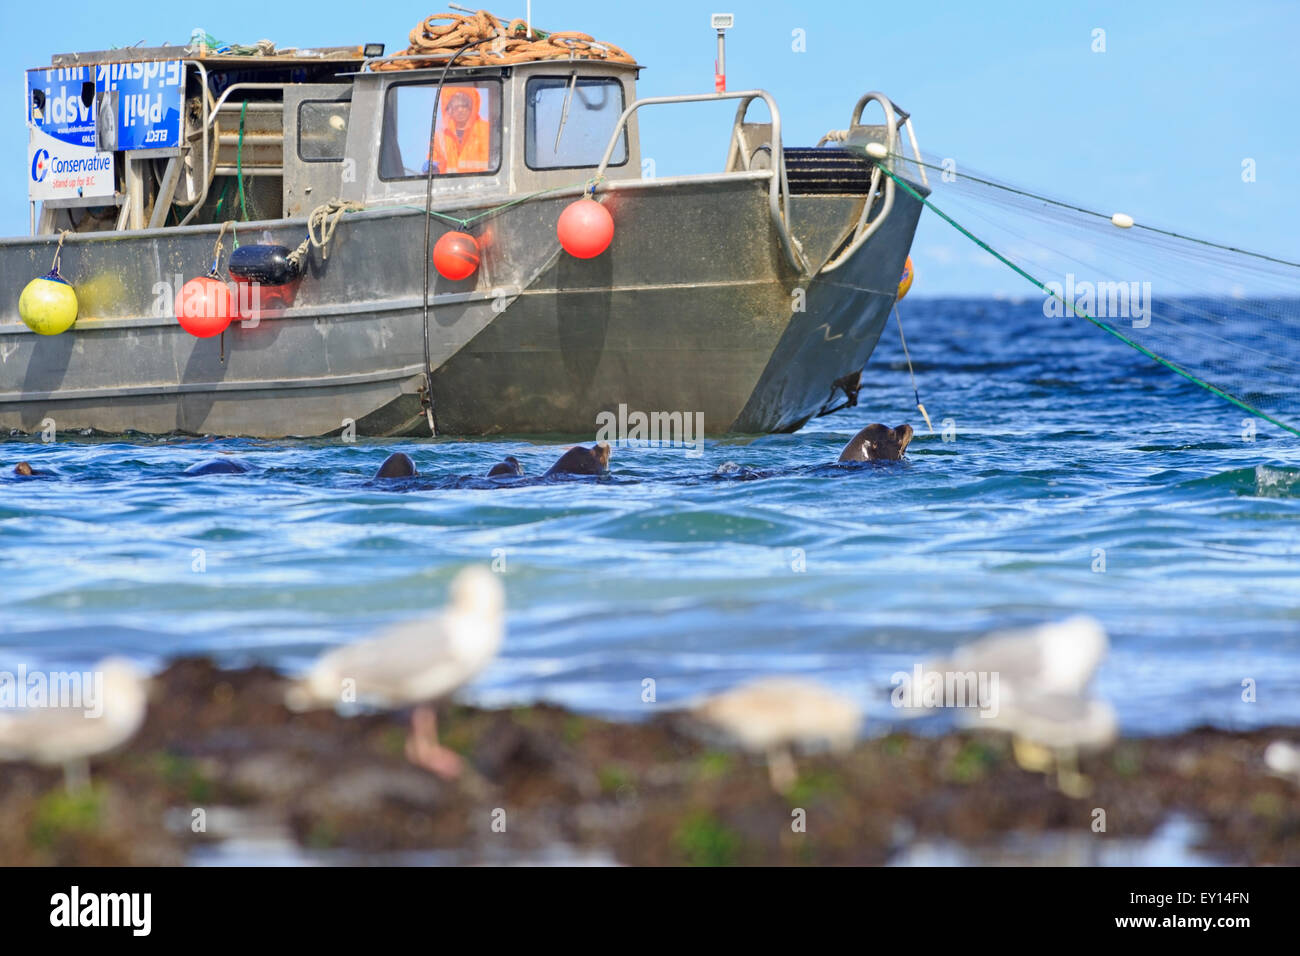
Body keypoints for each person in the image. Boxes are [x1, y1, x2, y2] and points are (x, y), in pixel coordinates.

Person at [428, 87, 491, 174]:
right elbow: (434, 167)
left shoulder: (487, 131)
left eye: (464, 105)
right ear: (449, 109)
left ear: (472, 106)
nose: (460, 110)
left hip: (485, 185)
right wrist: (432, 168)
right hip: (449, 186)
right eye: (456, 106)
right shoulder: (439, 138)